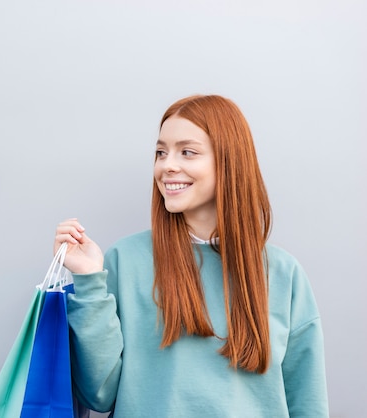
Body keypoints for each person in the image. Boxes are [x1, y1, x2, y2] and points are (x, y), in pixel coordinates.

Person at [54, 95, 329, 417]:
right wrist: (88, 280)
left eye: (187, 152)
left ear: (230, 161)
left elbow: (307, 403)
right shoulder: (123, 261)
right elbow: (98, 395)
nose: (167, 165)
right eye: (160, 152)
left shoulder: (282, 273)